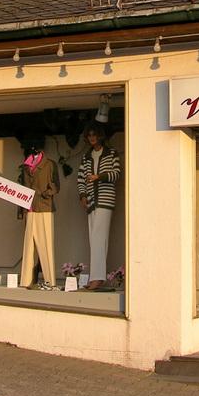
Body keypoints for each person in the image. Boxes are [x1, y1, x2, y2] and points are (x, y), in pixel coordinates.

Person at [76, 124, 121, 290]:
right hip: (91, 201)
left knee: (99, 238)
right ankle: (97, 276)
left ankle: (98, 277)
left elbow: (116, 173)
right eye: (89, 136)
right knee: (93, 238)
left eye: (94, 135)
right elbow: (80, 178)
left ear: (100, 136)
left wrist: (98, 177)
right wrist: (82, 195)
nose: (92, 138)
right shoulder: (86, 157)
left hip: (105, 199)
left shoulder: (111, 153)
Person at [19, 147, 60, 289]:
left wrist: (44, 194)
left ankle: (50, 280)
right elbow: (23, 186)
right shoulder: (26, 166)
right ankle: (26, 280)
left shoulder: (50, 164)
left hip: (44, 207)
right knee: (28, 245)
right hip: (30, 207)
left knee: (46, 244)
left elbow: (56, 186)